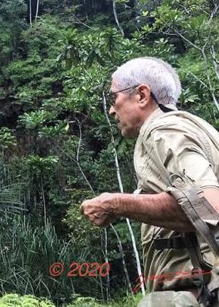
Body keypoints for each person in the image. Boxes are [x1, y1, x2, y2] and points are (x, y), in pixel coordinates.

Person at [80, 57, 219, 306]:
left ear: (142, 95)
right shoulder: (199, 129)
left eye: (114, 98)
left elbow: (210, 206)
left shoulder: (164, 131)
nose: (112, 110)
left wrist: (116, 203)